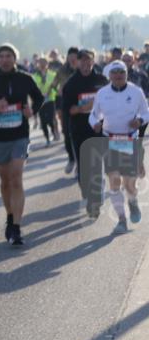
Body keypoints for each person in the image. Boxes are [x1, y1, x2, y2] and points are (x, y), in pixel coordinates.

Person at [0, 43, 45, 246]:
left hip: (20, 135)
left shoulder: (25, 78)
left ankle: (16, 226)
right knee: (5, 182)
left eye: (8, 56)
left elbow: (39, 98)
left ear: (15, 58)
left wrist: (32, 111)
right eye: (1, 56)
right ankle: (10, 215)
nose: (5, 59)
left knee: (16, 178)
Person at [89, 61, 149, 233]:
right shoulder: (102, 93)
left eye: (121, 72)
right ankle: (122, 220)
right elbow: (93, 115)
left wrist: (139, 121)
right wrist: (95, 124)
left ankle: (132, 201)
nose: (118, 75)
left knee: (129, 184)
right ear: (109, 75)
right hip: (109, 140)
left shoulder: (136, 92)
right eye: (114, 72)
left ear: (126, 74)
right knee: (114, 181)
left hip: (129, 140)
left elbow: (146, 113)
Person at [62, 49, 109, 218]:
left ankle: (94, 201)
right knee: (84, 169)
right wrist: (85, 107)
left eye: (89, 60)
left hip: (99, 129)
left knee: (96, 165)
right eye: (82, 60)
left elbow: (110, 103)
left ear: (93, 61)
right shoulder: (71, 84)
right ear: (77, 62)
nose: (86, 63)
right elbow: (69, 110)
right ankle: (89, 193)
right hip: (79, 130)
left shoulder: (102, 80)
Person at [54, 47, 80, 174]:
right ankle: (71, 159)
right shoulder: (62, 70)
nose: (73, 59)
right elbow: (54, 85)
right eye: (71, 57)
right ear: (68, 57)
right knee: (66, 133)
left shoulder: (83, 69)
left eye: (75, 57)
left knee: (79, 134)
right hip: (66, 105)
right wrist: (58, 91)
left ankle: (80, 164)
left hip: (81, 106)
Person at [31, 56, 59, 147]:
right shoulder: (34, 76)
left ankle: (53, 131)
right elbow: (33, 88)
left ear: (47, 64)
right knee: (43, 121)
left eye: (44, 63)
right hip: (40, 101)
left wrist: (51, 91)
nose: (42, 65)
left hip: (50, 99)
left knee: (50, 119)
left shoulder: (53, 74)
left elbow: (57, 87)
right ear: (38, 64)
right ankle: (47, 139)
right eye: (40, 63)